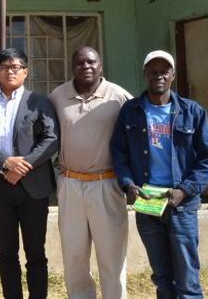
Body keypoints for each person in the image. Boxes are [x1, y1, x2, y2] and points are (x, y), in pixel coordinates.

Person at [111, 50, 208, 299]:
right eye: (153, 71)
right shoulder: (130, 111)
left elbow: (207, 161)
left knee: (187, 279)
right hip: (148, 205)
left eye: (164, 71)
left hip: (181, 205)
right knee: (161, 277)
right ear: (145, 74)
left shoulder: (193, 112)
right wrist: (128, 184)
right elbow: (119, 153)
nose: (158, 75)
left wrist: (184, 190)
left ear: (173, 75)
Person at [0, 47, 59, 299]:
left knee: (36, 251)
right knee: (7, 252)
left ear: (25, 71)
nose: (10, 71)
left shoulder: (39, 102)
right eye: (4, 67)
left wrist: (22, 166)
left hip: (33, 187)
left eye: (15, 67)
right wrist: (5, 163)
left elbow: (51, 139)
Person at [49, 47, 131, 299]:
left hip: (107, 184)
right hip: (70, 183)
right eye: (79, 62)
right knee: (74, 256)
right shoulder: (58, 96)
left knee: (112, 256)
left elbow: (137, 133)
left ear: (100, 66)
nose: (85, 66)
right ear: (72, 66)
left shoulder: (118, 97)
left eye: (91, 62)